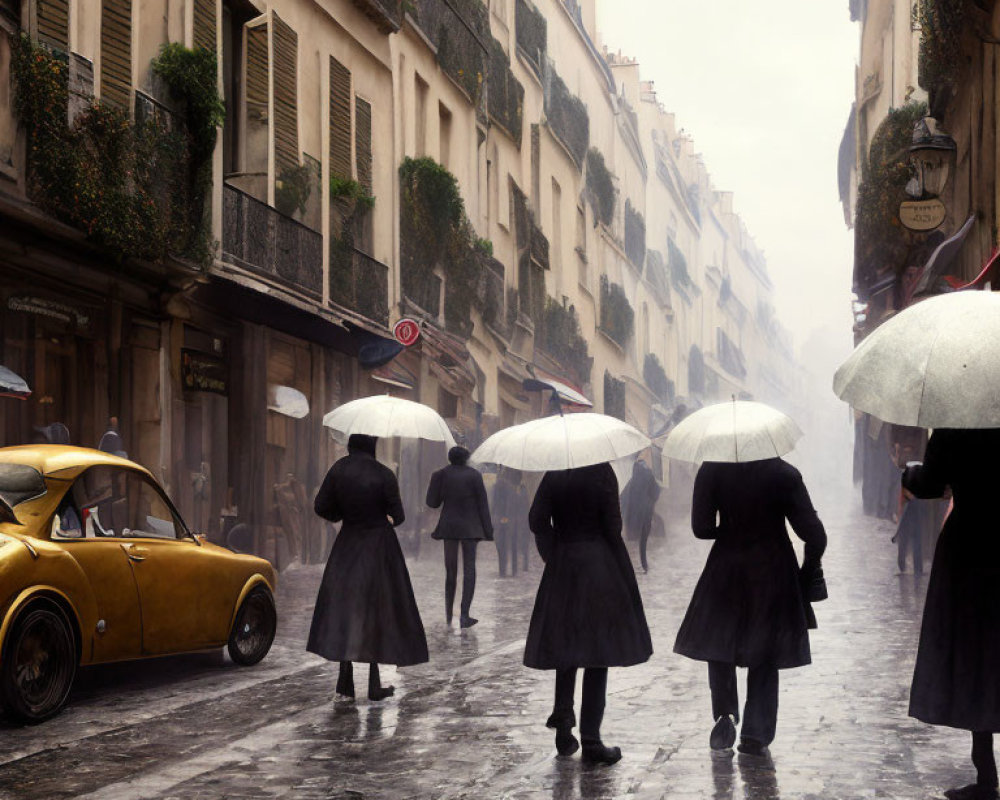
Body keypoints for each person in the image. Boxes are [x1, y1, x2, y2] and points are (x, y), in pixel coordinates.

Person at [673, 458, 827, 757]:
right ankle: (756, 733)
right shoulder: (785, 474)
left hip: (725, 567)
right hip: (773, 569)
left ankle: (725, 713)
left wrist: (733, 529)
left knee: (720, 644)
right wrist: (808, 572)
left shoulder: (711, 469)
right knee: (765, 652)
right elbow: (814, 534)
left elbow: (701, 528)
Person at [524, 462, 653, 764]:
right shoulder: (602, 471)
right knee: (598, 652)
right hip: (598, 566)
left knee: (565, 645)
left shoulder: (554, 471)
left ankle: (563, 724)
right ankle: (592, 740)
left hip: (564, 566)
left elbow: (537, 519)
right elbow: (612, 526)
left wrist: (553, 553)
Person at [903, 428, 1000, 800]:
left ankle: (987, 776)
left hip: (970, 547)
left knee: (974, 653)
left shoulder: (955, 427)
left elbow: (929, 483)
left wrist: (907, 471)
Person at [307, 434, 428, 701]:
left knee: (345, 608)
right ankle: (374, 684)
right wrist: (380, 518)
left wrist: (342, 515)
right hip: (379, 549)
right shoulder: (384, 474)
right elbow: (399, 516)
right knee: (377, 608)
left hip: (348, 546)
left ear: (351, 445)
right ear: (373, 446)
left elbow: (321, 507)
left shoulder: (338, 469)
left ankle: (345, 683)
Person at [426, 446, 493, 627]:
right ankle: (464, 614)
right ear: (466, 459)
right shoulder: (474, 476)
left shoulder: (440, 475)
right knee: (469, 570)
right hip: (471, 529)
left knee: (451, 571)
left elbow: (432, 503)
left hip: (449, 527)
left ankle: (448, 615)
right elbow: (483, 505)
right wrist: (488, 531)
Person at [621, 457, 661, 573]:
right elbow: (656, 491)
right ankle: (644, 565)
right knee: (643, 541)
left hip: (631, 513)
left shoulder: (628, 476)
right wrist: (651, 502)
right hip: (646, 512)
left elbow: (623, 494)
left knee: (627, 540)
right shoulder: (648, 473)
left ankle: (628, 567)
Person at [493, 467, 521, 577]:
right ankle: (510, 570)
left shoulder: (502, 486)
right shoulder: (509, 488)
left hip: (505, 519)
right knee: (509, 544)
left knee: (503, 545)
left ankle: (504, 570)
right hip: (508, 519)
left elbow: (495, 504)